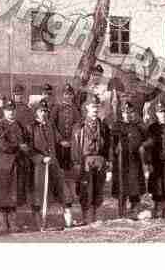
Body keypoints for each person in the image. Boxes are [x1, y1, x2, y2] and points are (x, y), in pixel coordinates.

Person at [28, 100, 74, 230]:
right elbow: (29, 149)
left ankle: (68, 216)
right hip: (39, 166)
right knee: (41, 194)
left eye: (45, 111)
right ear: (36, 112)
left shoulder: (50, 125)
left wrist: (66, 143)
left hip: (53, 163)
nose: (44, 113)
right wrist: (41, 158)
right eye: (41, 111)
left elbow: (59, 139)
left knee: (63, 189)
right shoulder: (31, 127)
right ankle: (41, 221)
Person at [0, 100, 30, 233]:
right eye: (8, 110)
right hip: (3, 164)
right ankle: (3, 224)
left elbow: (27, 140)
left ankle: (13, 223)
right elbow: (1, 145)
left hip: (17, 164)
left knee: (14, 193)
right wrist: (19, 146)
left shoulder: (20, 125)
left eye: (12, 110)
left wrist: (25, 147)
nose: (11, 112)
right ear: (4, 111)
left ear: (15, 111)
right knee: (2, 194)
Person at [71, 94, 111, 224]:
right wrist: (77, 163)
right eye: (92, 106)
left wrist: (108, 161)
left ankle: (95, 215)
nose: (95, 109)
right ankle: (85, 217)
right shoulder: (80, 126)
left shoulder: (103, 126)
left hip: (100, 160)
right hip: (85, 160)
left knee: (98, 189)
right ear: (87, 107)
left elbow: (108, 145)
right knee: (85, 189)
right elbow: (75, 146)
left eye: (97, 106)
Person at [110, 101, 149, 219]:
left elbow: (148, 140)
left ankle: (134, 211)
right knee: (122, 188)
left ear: (133, 113)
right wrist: (111, 161)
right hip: (121, 162)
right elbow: (111, 145)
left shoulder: (138, 126)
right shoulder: (116, 126)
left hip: (134, 161)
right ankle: (121, 213)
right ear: (121, 113)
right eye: (124, 112)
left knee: (135, 187)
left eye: (130, 112)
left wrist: (143, 147)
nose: (127, 115)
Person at [51, 83, 82, 220]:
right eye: (66, 94)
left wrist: (73, 140)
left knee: (70, 170)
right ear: (62, 95)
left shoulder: (75, 109)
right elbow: (51, 125)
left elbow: (78, 124)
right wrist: (60, 140)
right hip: (59, 146)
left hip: (71, 145)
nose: (68, 96)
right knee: (60, 171)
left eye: (70, 94)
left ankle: (69, 196)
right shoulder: (56, 108)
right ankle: (61, 196)